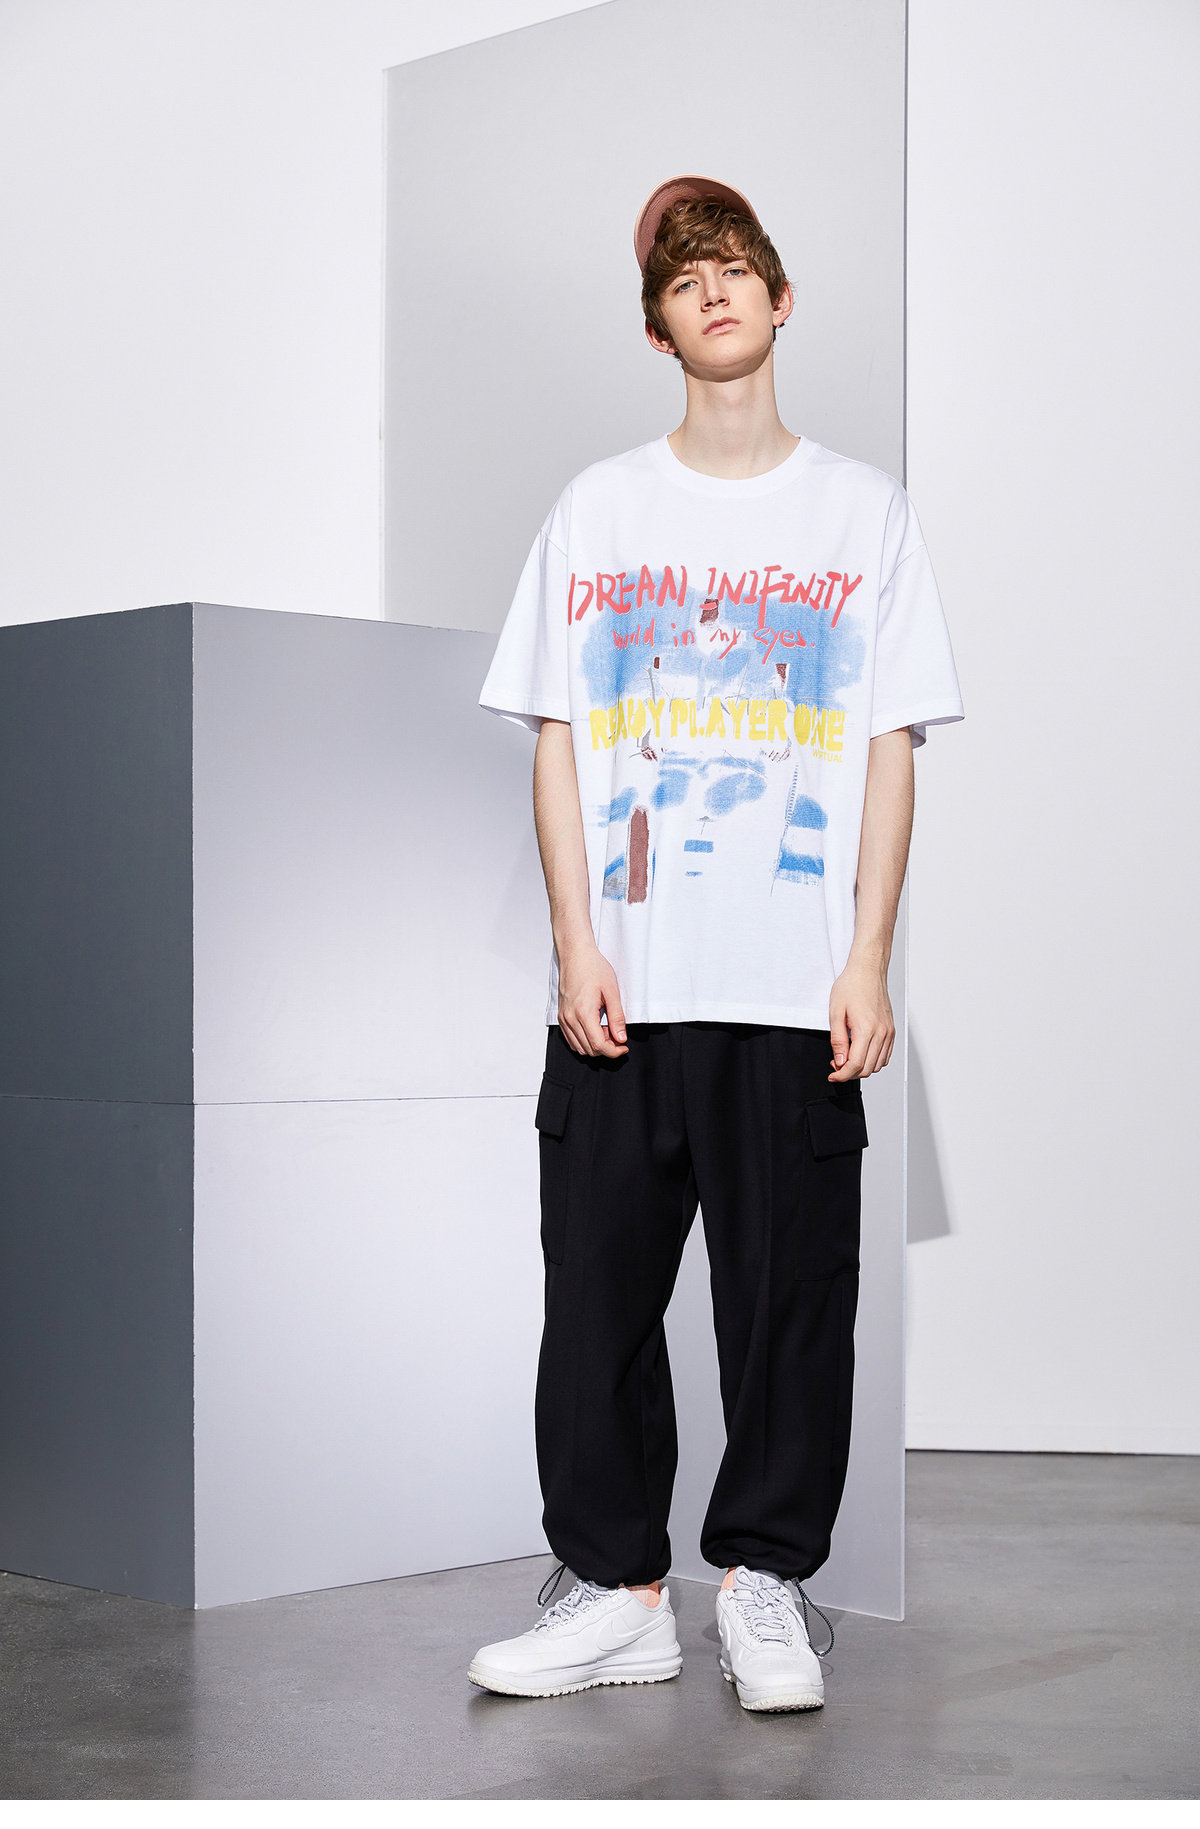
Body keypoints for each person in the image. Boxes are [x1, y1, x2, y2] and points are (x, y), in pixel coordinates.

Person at [468, 174, 964, 1712]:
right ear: (658, 328)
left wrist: (869, 957)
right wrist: (574, 939)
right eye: (687, 279)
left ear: (781, 298)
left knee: (789, 1305)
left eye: (738, 267)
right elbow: (557, 739)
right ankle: (618, 1590)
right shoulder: (598, 510)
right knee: (596, 1306)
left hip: (794, 985)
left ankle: (764, 1584)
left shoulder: (864, 513)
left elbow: (891, 747)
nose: (717, 290)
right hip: (629, 982)